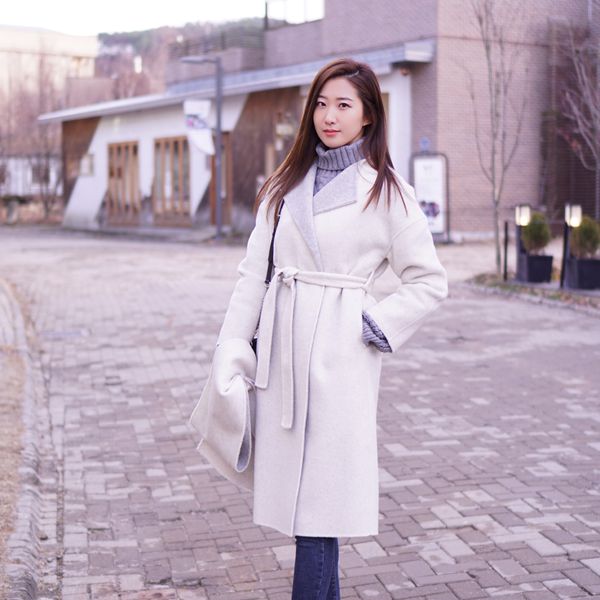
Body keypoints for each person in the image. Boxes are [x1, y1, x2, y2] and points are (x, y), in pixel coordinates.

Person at [213, 58, 447, 599]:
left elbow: (429, 281)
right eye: (321, 103)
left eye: (344, 105)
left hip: (341, 364)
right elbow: (253, 275)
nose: (329, 116)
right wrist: (230, 349)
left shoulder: (388, 192)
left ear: (368, 116)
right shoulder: (282, 185)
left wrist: (373, 323)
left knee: (317, 512)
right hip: (282, 360)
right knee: (309, 511)